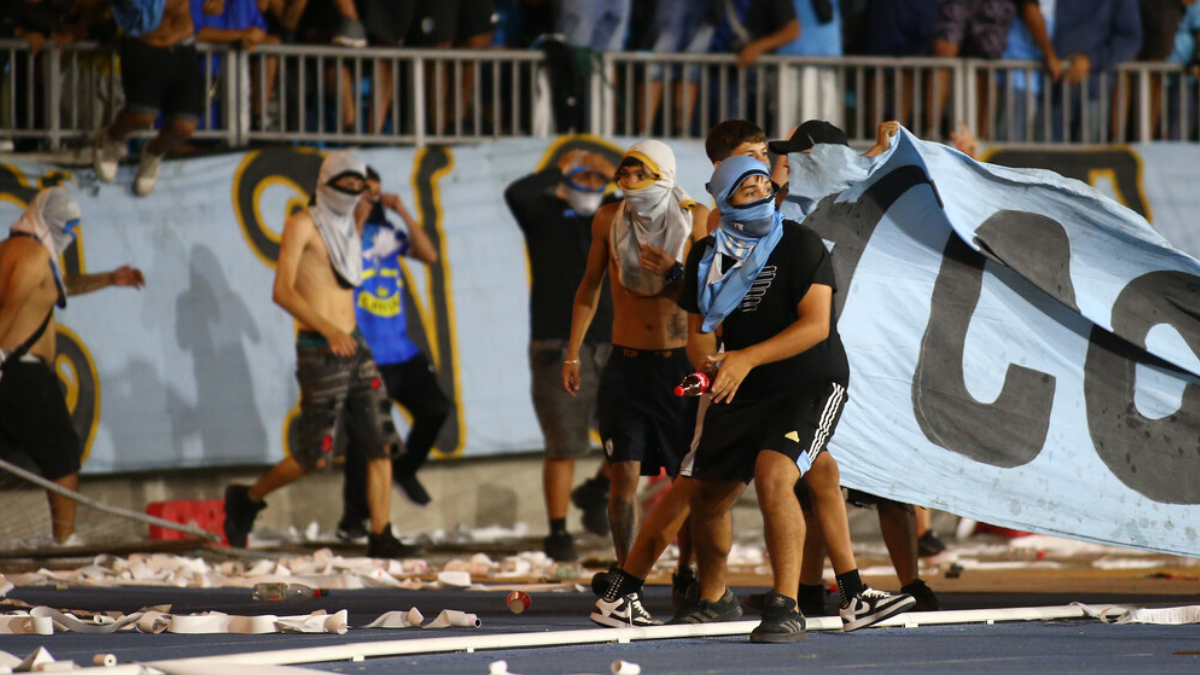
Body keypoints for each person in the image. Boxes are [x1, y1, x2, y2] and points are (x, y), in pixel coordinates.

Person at [681, 156, 913, 639]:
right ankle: (715, 598)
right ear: (724, 201)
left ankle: (787, 604)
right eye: (749, 190)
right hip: (745, 384)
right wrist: (710, 365)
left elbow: (815, 326)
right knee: (705, 496)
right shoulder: (705, 255)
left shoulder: (800, 242)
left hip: (810, 381)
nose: (763, 194)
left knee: (773, 473)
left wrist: (744, 357)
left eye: (767, 185)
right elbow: (700, 332)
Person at [223, 151, 412, 558]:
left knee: (381, 441)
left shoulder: (348, 228)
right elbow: (282, 290)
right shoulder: (303, 224)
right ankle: (248, 497)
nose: (350, 196)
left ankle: (381, 533)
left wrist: (372, 201)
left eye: (355, 189)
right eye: (343, 188)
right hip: (319, 346)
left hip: (354, 343)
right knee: (314, 456)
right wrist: (327, 330)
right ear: (325, 186)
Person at [563, 140, 709, 578]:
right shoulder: (609, 220)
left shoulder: (695, 219)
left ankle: (688, 571)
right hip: (625, 367)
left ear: (662, 174)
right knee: (622, 474)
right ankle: (627, 574)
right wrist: (572, 354)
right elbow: (589, 287)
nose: (627, 182)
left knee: (688, 479)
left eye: (638, 173)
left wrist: (674, 272)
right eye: (623, 174)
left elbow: (710, 295)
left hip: (678, 366)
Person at [0, 187, 145, 545]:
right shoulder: (33, 255)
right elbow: (7, 312)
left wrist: (110, 278)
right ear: (47, 220)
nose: (70, 235)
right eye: (66, 226)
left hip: (16, 370)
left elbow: (58, 288)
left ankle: (63, 539)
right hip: (22, 370)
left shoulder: (16, 250)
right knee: (63, 454)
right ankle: (64, 541)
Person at [505, 148, 617, 562]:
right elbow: (517, 193)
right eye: (581, 178)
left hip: (612, 338)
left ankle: (598, 489)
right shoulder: (545, 214)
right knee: (563, 443)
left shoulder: (614, 214)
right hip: (557, 339)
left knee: (631, 435)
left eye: (595, 180)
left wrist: (611, 170)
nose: (589, 186)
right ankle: (557, 531)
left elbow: (650, 195)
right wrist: (560, 167)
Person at [335, 166, 451, 541]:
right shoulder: (338, 235)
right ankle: (353, 519)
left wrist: (402, 210)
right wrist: (358, 218)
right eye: (366, 191)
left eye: (377, 192)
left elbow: (428, 253)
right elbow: (343, 268)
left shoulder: (386, 235)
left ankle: (406, 469)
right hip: (365, 354)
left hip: (401, 350)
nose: (374, 198)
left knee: (435, 408)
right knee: (365, 440)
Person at [94, 0, 218, 197]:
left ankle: (153, 152)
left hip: (182, 45)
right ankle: (112, 138)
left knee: (185, 126)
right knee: (142, 116)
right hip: (143, 44)